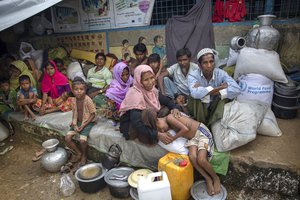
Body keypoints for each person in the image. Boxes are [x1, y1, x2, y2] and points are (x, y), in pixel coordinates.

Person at [156, 113, 220, 196]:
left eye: (159, 128)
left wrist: (173, 139)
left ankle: (216, 178)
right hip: (192, 139)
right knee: (192, 157)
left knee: (201, 160)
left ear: (157, 120)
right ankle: (208, 179)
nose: (162, 131)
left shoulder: (169, 117)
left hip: (201, 133)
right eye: (160, 131)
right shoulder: (167, 124)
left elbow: (185, 129)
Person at [119, 65, 181, 145]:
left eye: (152, 78)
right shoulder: (135, 94)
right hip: (132, 128)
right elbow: (137, 123)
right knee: (150, 112)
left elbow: (167, 101)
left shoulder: (152, 90)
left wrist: (175, 108)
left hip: (144, 121)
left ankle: (158, 128)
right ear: (139, 81)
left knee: (166, 109)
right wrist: (157, 134)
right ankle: (151, 135)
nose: (151, 82)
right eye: (146, 80)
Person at [187, 48, 241, 125]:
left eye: (211, 62)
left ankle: (213, 124)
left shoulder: (221, 73)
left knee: (223, 97)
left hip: (214, 104)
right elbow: (195, 93)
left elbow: (237, 89)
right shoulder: (193, 75)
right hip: (199, 109)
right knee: (196, 98)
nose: (209, 66)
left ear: (214, 63)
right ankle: (201, 125)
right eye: (205, 63)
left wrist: (208, 92)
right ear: (199, 65)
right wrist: (220, 88)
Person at [65, 77, 96, 166]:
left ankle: (84, 155)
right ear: (73, 90)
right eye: (76, 89)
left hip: (87, 122)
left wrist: (83, 126)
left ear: (85, 90)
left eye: (81, 89)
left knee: (82, 141)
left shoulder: (88, 100)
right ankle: (78, 153)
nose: (79, 91)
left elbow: (93, 114)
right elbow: (74, 113)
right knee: (67, 138)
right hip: (77, 122)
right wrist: (74, 124)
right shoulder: (73, 100)